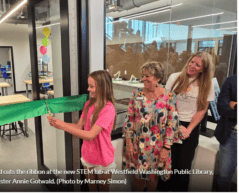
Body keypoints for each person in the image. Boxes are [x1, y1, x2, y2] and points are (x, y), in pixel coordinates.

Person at [47, 70, 117, 192]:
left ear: (102, 87)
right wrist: (58, 124)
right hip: (88, 155)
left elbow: (90, 135)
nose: (88, 89)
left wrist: (63, 126)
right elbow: (79, 127)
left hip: (103, 158)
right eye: (88, 85)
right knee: (92, 189)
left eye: (91, 86)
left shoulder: (108, 109)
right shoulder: (89, 104)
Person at [122, 61, 182, 191]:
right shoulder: (136, 94)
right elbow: (129, 118)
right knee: (137, 177)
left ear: (158, 78)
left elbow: (172, 124)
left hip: (158, 146)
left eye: (147, 76)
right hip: (137, 144)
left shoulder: (169, 96)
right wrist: (129, 142)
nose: (143, 79)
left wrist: (166, 148)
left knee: (153, 179)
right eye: (143, 75)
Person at [161, 51, 215, 191]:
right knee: (167, 165)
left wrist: (189, 128)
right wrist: (177, 125)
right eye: (192, 62)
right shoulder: (175, 77)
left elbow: (202, 109)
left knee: (183, 168)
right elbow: (166, 104)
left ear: (204, 69)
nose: (192, 66)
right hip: (171, 124)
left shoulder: (207, 84)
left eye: (197, 65)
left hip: (190, 129)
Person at [214, 74, 237, 191]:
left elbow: (230, 107)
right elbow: (222, 108)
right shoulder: (232, 80)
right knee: (224, 178)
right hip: (231, 135)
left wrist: (235, 105)